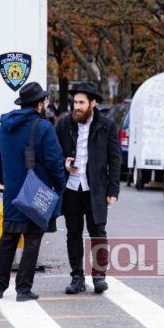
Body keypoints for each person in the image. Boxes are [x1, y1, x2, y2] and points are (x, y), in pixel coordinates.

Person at [0, 82, 66, 302]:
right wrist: (59, 186)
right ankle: (23, 290)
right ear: (39, 105)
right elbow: (55, 163)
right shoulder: (43, 128)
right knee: (32, 241)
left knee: (8, 240)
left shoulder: (2, 128)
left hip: (12, 193)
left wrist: (8, 182)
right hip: (36, 193)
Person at [55, 82, 120, 295]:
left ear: (93, 103)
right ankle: (77, 277)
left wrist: (113, 190)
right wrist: (64, 164)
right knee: (73, 233)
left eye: (81, 102)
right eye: (75, 102)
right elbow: (54, 154)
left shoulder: (107, 125)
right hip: (71, 188)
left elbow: (115, 159)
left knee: (98, 232)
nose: (77, 106)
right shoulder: (64, 124)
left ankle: (99, 276)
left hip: (96, 189)